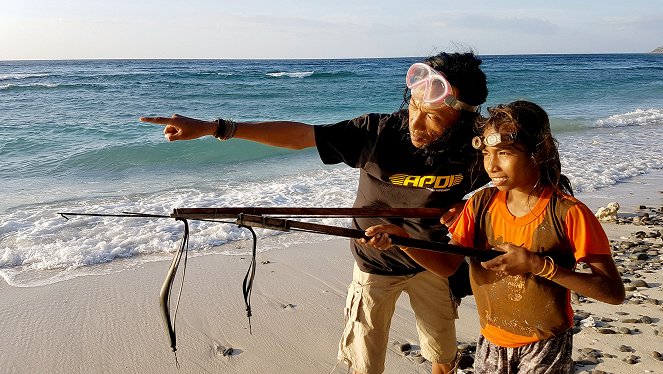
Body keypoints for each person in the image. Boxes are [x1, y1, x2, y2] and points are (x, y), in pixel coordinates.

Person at [140, 52, 489, 374]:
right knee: (366, 362)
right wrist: (215, 128)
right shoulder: (378, 132)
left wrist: (473, 204)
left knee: (443, 353)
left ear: (463, 120)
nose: (417, 124)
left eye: (434, 118)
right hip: (375, 265)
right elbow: (302, 136)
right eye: (416, 108)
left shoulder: (476, 148)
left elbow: (520, 178)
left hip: (434, 262)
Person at [363, 100, 625, 373]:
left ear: (538, 151)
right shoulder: (481, 205)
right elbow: (447, 265)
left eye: (504, 153)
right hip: (491, 340)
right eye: (487, 154)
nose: (492, 166)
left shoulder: (568, 213)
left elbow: (613, 292)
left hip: (545, 343)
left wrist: (539, 266)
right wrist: (403, 240)